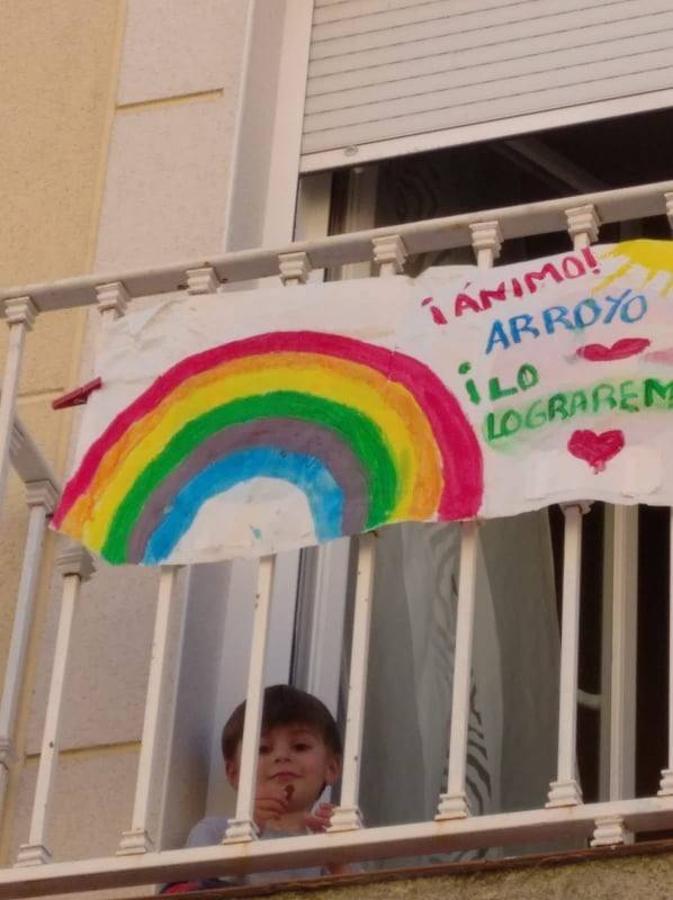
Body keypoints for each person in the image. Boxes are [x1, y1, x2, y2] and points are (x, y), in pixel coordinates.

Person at [163, 684, 345, 893]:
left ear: (331, 767)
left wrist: (340, 858)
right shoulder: (216, 831)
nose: (282, 756)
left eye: (300, 746)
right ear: (235, 773)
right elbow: (187, 892)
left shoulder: (329, 843)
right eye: (263, 749)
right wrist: (247, 831)